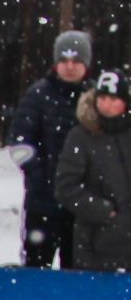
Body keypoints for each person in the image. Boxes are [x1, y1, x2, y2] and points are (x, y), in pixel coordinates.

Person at [13, 29, 92, 268]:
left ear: (86, 64)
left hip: (80, 208)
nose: (70, 66)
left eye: (76, 61)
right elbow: (20, 144)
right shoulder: (37, 95)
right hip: (42, 204)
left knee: (76, 273)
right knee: (36, 272)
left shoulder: (94, 99)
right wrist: (41, 179)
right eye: (64, 60)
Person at [54, 67, 131, 272]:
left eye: (114, 99)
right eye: (103, 97)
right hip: (96, 247)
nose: (107, 104)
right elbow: (66, 187)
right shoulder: (80, 136)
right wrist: (104, 211)